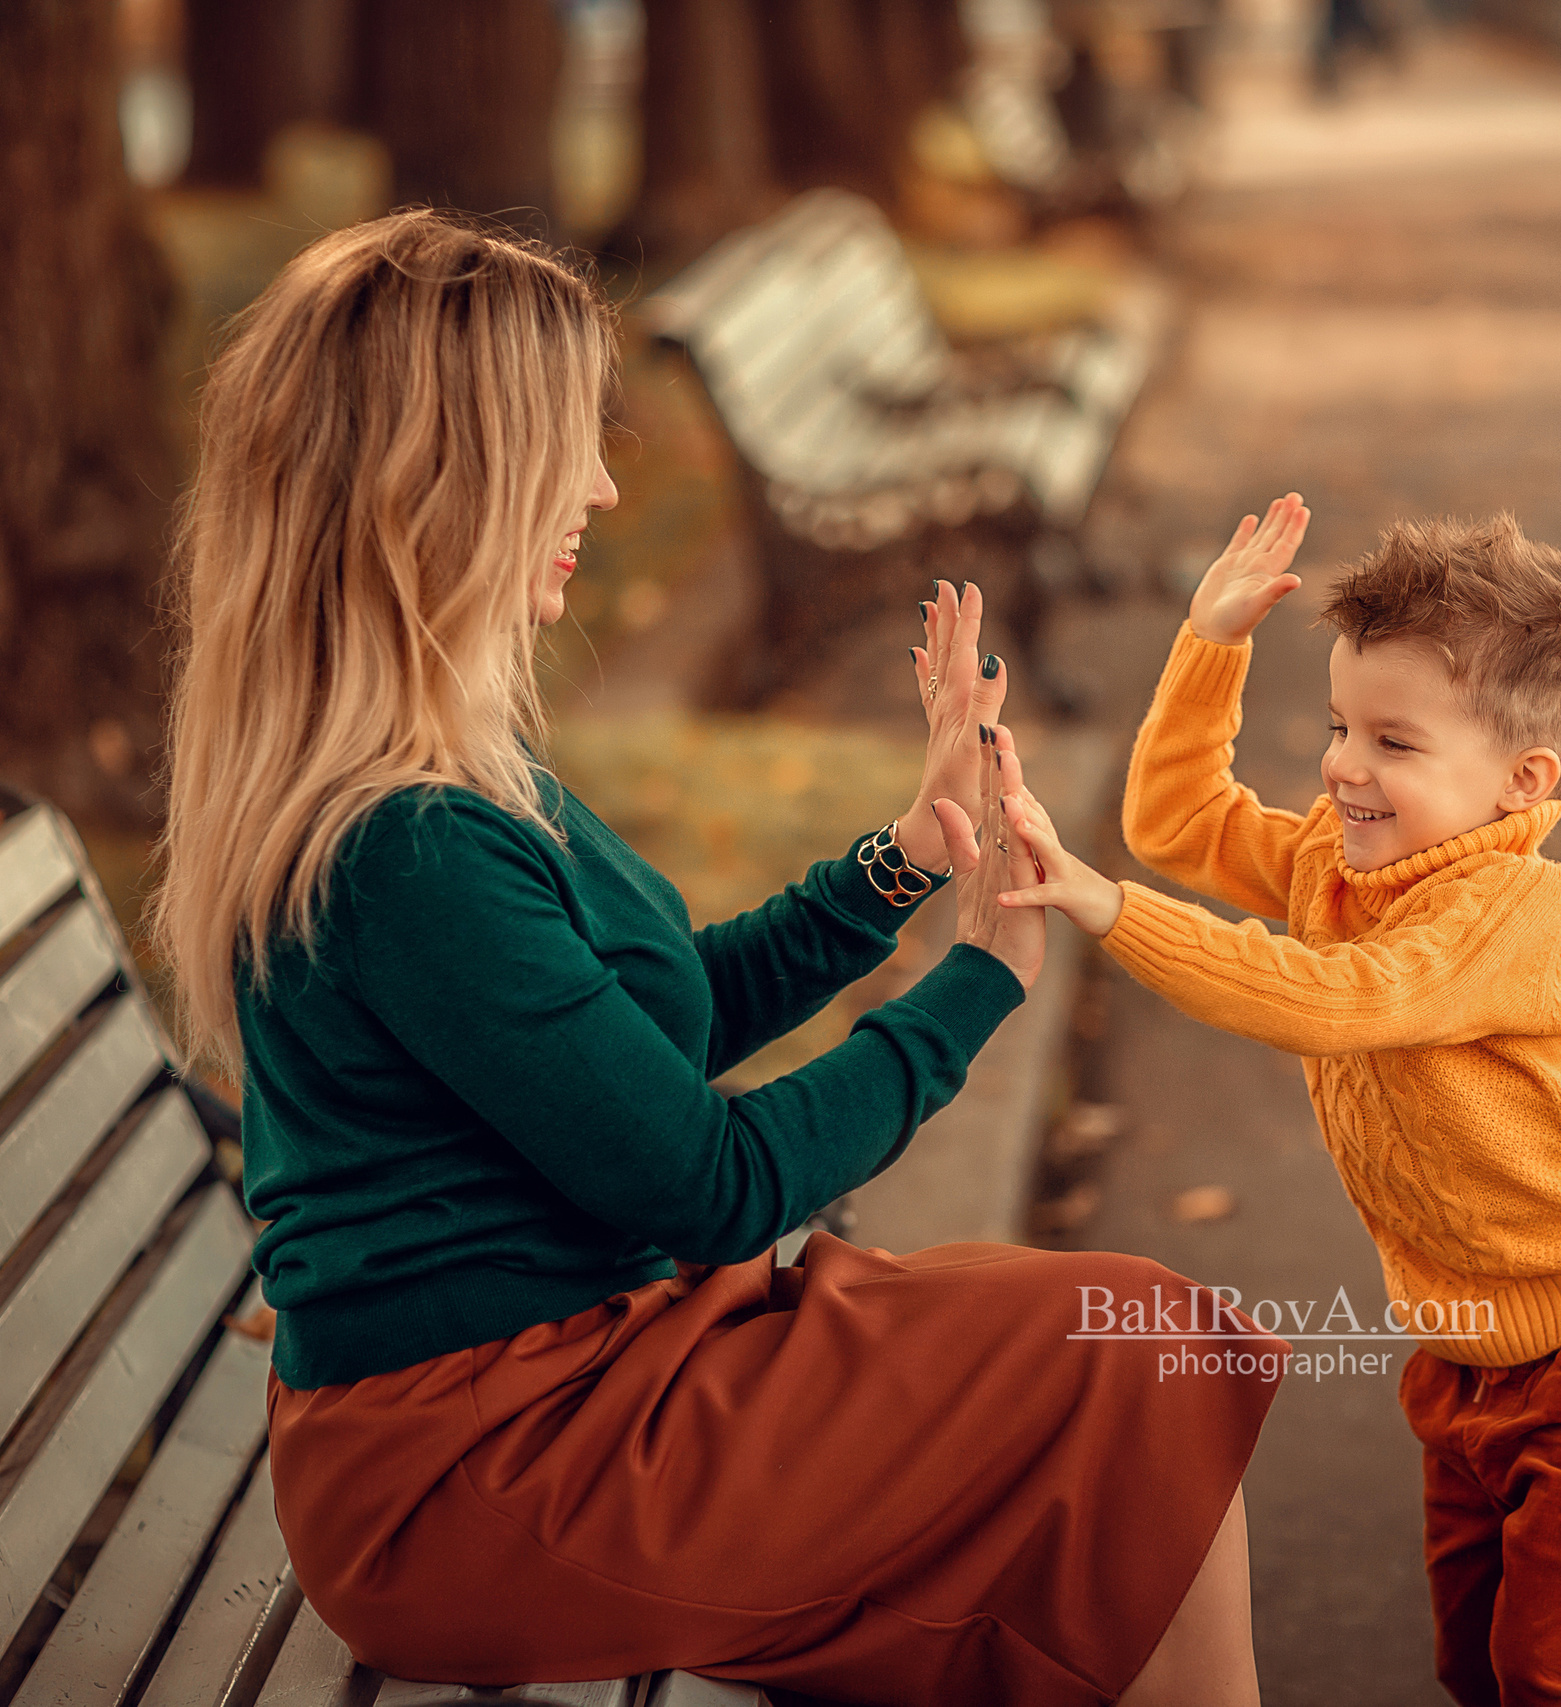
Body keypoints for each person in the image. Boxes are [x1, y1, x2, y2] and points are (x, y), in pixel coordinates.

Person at [150, 208, 1277, 1705]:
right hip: (486, 1473)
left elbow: (637, 1035)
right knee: (1134, 1354)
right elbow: (710, 1182)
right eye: (567, 445)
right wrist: (982, 981)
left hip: (584, 1374)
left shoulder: (450, 778)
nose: (605, 487)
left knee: (1140, 1347)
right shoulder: (404, 845)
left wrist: (902, 860)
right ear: (445, 483)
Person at [999, 496, 1561, 1706]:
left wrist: (1111, 911)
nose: (1340, 765)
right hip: (1463, 1355)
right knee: (1474, 1664)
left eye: (1393, 742)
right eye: (1339, 726)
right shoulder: (1338, 862)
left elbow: (1338, 1001)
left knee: (1560, 1674)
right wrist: (1210, 645)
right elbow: (1177, 822)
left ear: (1521, 780)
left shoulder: (1504, 914)